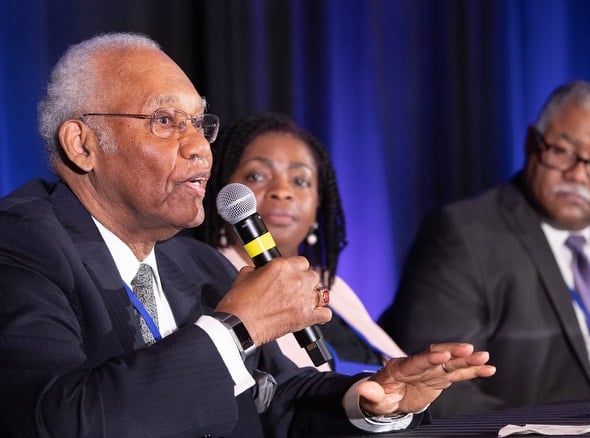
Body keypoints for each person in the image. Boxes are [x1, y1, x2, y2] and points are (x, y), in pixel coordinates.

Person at [0, 32, 496, 437]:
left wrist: (370, 400)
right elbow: (59, 421)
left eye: (199, 123)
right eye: (165, 122)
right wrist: (237, 326)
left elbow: (273, 399)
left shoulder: (195, 266)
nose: (199, 149)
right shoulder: (21, 248)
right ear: (82, 144)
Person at [381, 80, 590, 417]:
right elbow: (437, 388)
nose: (578, 174)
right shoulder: (463, 237)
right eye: (563, 152)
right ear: (532, 143)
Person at [197, 112, 406, 375]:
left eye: (300, 181)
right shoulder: (209, 283)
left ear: (318, 203)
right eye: (257, 176)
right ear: (221, 186)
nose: (282, 191)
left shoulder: (331, 285)